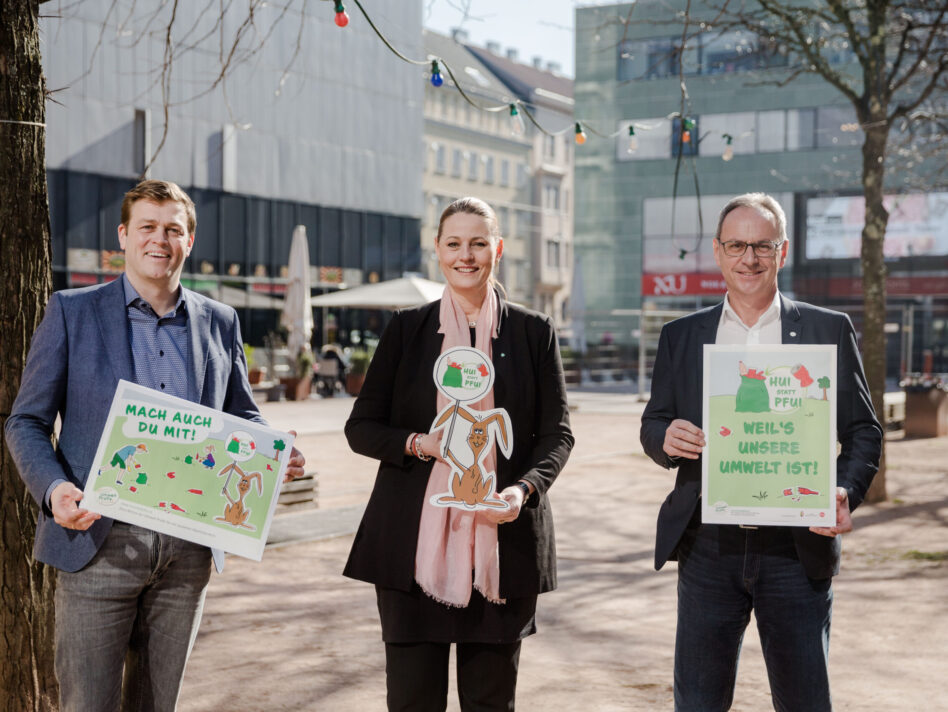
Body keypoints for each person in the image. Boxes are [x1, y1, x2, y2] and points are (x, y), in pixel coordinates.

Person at [4, 179, 305, 711]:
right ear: (123, 236)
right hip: (97, 542)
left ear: (190, 240)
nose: (159, 240)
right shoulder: (73, 312)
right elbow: (25, 421)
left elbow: (241, 411)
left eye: (173, 229)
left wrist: (274, 446)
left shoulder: (220, 320)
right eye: (147, 227)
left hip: (188, 549)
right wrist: (54, 491)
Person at [640, 192, 882, 712]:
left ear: (783, 250)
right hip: (709, 547)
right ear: (717, 251)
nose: (748, 258)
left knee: (804, 702)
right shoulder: (681, 336)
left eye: (762, 246)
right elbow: (653, 421)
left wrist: (842, 490)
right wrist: (665, 438)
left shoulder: (826, 330)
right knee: (699, 702)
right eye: (736, 245)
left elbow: (864, 431)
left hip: (795, 550)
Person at [344, 197, 574, 711]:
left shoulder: (533, 332)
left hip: (502, 546)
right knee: (411, 702)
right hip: (411, 551)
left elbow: (556, 435)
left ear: (497, 249)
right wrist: (420, 443)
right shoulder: (407, 329)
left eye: (477, 243)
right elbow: (360, 428)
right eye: (454, 244)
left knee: (491, 703)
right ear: (438, 250)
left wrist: (523, 489)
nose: (465, 255)